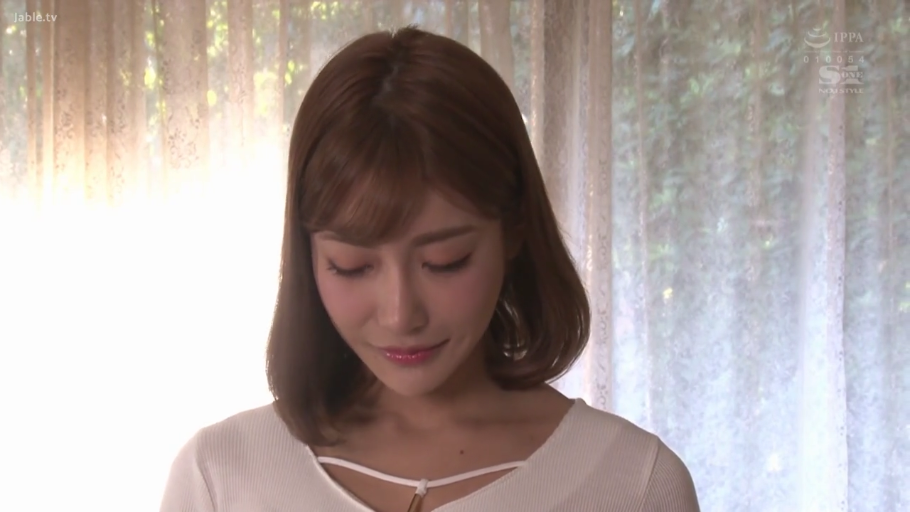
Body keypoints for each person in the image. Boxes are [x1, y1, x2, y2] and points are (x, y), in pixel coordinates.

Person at [159, 26, 700, 512]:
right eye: (351, 266)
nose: (401, 315)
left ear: (514, 230)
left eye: (445, 262)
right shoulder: (219, 477)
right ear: (308, 257)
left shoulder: (634, 484)